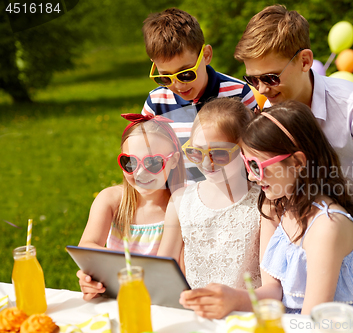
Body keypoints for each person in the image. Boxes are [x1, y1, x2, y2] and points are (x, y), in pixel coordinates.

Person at [233, 4, 353, 318]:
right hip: (319, 213)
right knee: (328, 296)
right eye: (253, 79)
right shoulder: (272, 109)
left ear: (305, 60)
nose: (262, 89)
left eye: (271, 77)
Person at [180, 101, 353, 318]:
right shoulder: (283, 206)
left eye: (256, 165)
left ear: (297, 162)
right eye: (246, 163)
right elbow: (274, 290)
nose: (251, 176)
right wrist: (233, 298)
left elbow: (312, 319)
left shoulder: (327, 227)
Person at [77, 113, 186, 300]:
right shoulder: (110, 199)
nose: (140, 173)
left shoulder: (179, 205)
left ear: (174, 160)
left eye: (153, 163)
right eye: (130, 163)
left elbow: (164, 274)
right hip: (115, 296)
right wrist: (89, 278)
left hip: (160, 302)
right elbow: (87, 246)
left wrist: (111, 267)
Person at [141, 8, 258, 181]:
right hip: (182, 195)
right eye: (165, 77)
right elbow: (148, 157)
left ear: (206, 55)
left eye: (186, 74)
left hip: (235, 188)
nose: (178, 84)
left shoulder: (238, 93)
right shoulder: (155, 103)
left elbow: (257, 150)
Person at [157, 98, 261, 290]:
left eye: (219, 154)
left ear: (246, 148)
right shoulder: (181, 201)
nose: (206, 163)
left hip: (246, 314)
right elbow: (162, 269)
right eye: (196, 153)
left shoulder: (264, 203)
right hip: (196, 311)